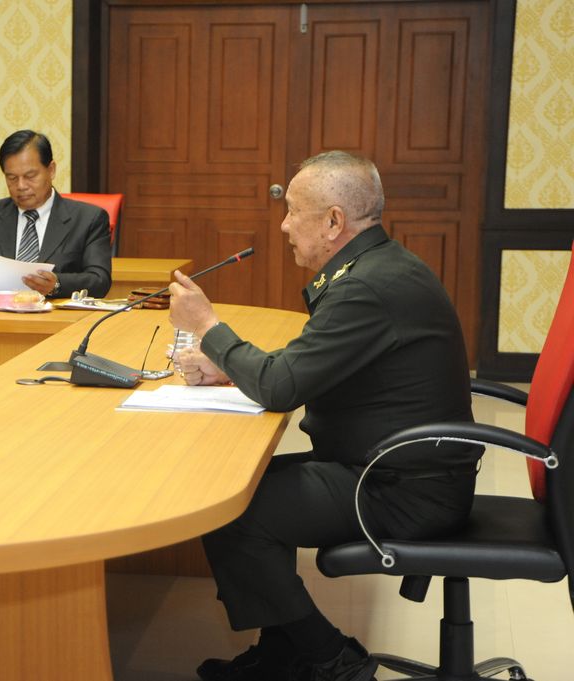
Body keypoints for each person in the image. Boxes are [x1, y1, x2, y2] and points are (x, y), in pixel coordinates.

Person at [168, 151, 482, 681]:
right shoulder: (379, 266)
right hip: (395, 468)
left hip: (402, 489)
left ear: (334, 221)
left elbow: (280, 387)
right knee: (239, 489)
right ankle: (283, 655)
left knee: (235, 512)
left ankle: (330, 658)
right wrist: (228, 367)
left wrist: (208, 326)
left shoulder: (366, 286)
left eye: (293, 211)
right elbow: (307, 364)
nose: (284, 225)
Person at [0, 130, 112, 298]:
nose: (21, 186)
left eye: (30, 176)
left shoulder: (88, 219)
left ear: (51, 170)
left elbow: (100, 281)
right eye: (12, 178)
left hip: (54, 315)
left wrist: (57, 284)